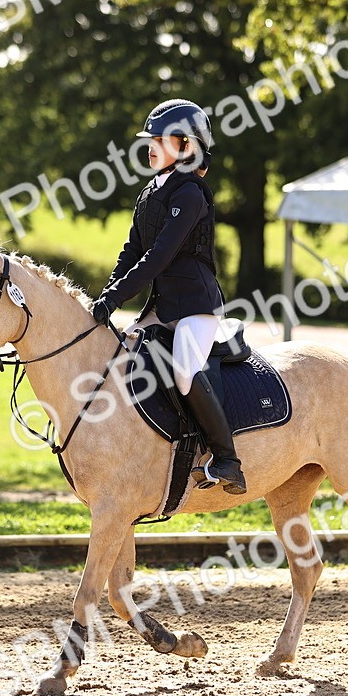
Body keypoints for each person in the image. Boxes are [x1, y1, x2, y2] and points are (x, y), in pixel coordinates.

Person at [90, 99, 246, 495]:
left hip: (195, 306)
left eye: (160, 139)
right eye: (151, 139)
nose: (151, 145)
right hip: (161, 307)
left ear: (186, 144)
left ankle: (227, 459)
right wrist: (108, 293)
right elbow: (132, 250)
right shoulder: (150, 192)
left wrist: (118, 298)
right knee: (119, 357)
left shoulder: (191, 192)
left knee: (183, 370)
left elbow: (158, 257)